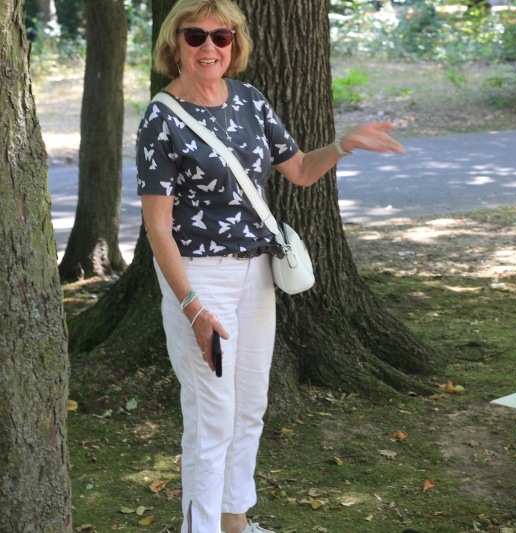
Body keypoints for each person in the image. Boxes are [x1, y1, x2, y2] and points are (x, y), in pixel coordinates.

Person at [135, 1, 404, 532]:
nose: (209, 46)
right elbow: (157, 228)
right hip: (200, 278)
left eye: (221, 35)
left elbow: (301, 170)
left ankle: (234, 520)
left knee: (250, 405)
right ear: (175, 46)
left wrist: (344, 145)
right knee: (210, 417)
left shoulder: (251, 101)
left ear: (235, 44)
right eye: (195, 36)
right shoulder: (160, 118)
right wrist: (191, 305)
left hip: (257, 274)